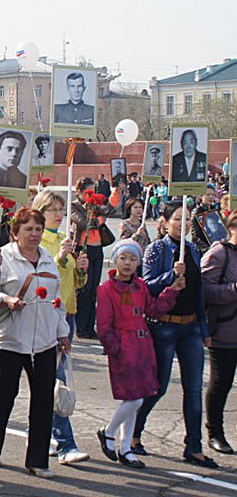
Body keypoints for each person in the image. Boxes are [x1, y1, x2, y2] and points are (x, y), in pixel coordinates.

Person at [0, 208, 69, 479]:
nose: (34, 235)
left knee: (43, 399)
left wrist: (62, 332)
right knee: (5, 394)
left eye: (38, 229)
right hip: (9, 339)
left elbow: (57, 301)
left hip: (43, 341)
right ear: (15, 232)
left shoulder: (48, 261)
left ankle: (37, 460)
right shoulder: (2, 257)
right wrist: (7, 300)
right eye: (28, 229)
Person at [133, 201, 216, 467]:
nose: (184, 224)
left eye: (188, 219)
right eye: (178, 219)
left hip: (190, 326)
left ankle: (194, 447)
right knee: (158, 386)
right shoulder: (157, 249)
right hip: (164, 326)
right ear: (165, 222)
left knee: (193, 389)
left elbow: (199, 292)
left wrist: (204, 328)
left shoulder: (192, 249)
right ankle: (132, 432)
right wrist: (171, 276)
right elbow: (145, 287)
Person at [96, 239, 182, 469]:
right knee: (133, 398)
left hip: (143, 347)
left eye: (133, 259)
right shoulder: (106, 289)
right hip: (124, 348)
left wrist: (170, 292)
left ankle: (125, 447)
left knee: (137, 398)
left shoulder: (140, 286)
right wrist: (115, 348)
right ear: (115, 260)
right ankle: (109, 431)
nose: (127, 263)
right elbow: (104, 325)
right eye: (123, 258)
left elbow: (152, 309)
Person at [33, 190, 91, 465]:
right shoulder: (39, 241)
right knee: (57, 381)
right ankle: (65, 442)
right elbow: (42, 280)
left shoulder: (62, 240)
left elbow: (73, 284)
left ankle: (50, 437)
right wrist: (59, 260)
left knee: (55, 381)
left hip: (67, 314)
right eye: (52, 209)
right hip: (47, 317)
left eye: (60, 209)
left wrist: (80, 269)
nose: (58, 214)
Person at [201, 212, 237, 455]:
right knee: (221, 383)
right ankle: (215, 433)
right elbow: (204, 290)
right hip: (225, 329)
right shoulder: (219, 253)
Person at [71, 177, 111, 339]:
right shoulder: (75, 206)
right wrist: (98, 218)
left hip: (97, 249)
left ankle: (90, 326)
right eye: (89, 192)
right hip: (83, 249)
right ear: (80, 192)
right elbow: (83, 223)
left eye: (93, 191)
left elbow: (108, 210)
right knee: (83, 289)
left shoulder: (94, 206)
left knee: (94, 289)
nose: (92, 195)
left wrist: (117, 192)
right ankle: (80, 327)